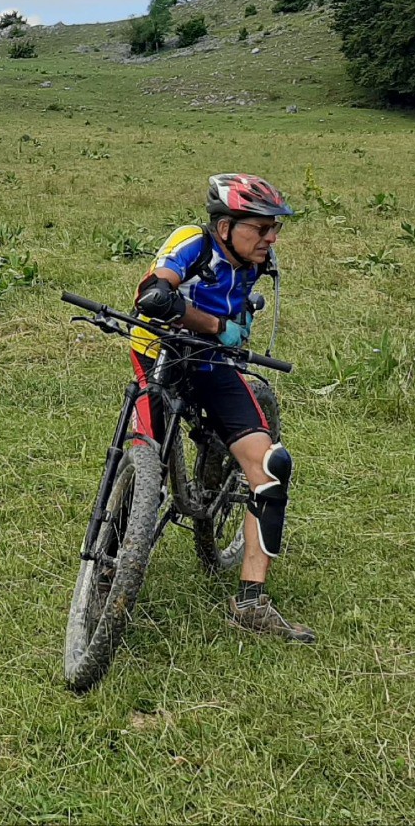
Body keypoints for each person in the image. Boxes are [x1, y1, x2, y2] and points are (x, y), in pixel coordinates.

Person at [130, 173, 315, 643]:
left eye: (275, 228)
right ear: (226, 226)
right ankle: (119, 558)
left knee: (273, 466)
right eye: (261, 227)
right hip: (163, 352)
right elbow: (154, 296)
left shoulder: (256, 258)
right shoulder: (194, 243)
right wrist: (214, 325)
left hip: (213, 364)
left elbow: (242, 311)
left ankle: (251, 602)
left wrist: (231, 330)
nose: (271, 238)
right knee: (144, 457)